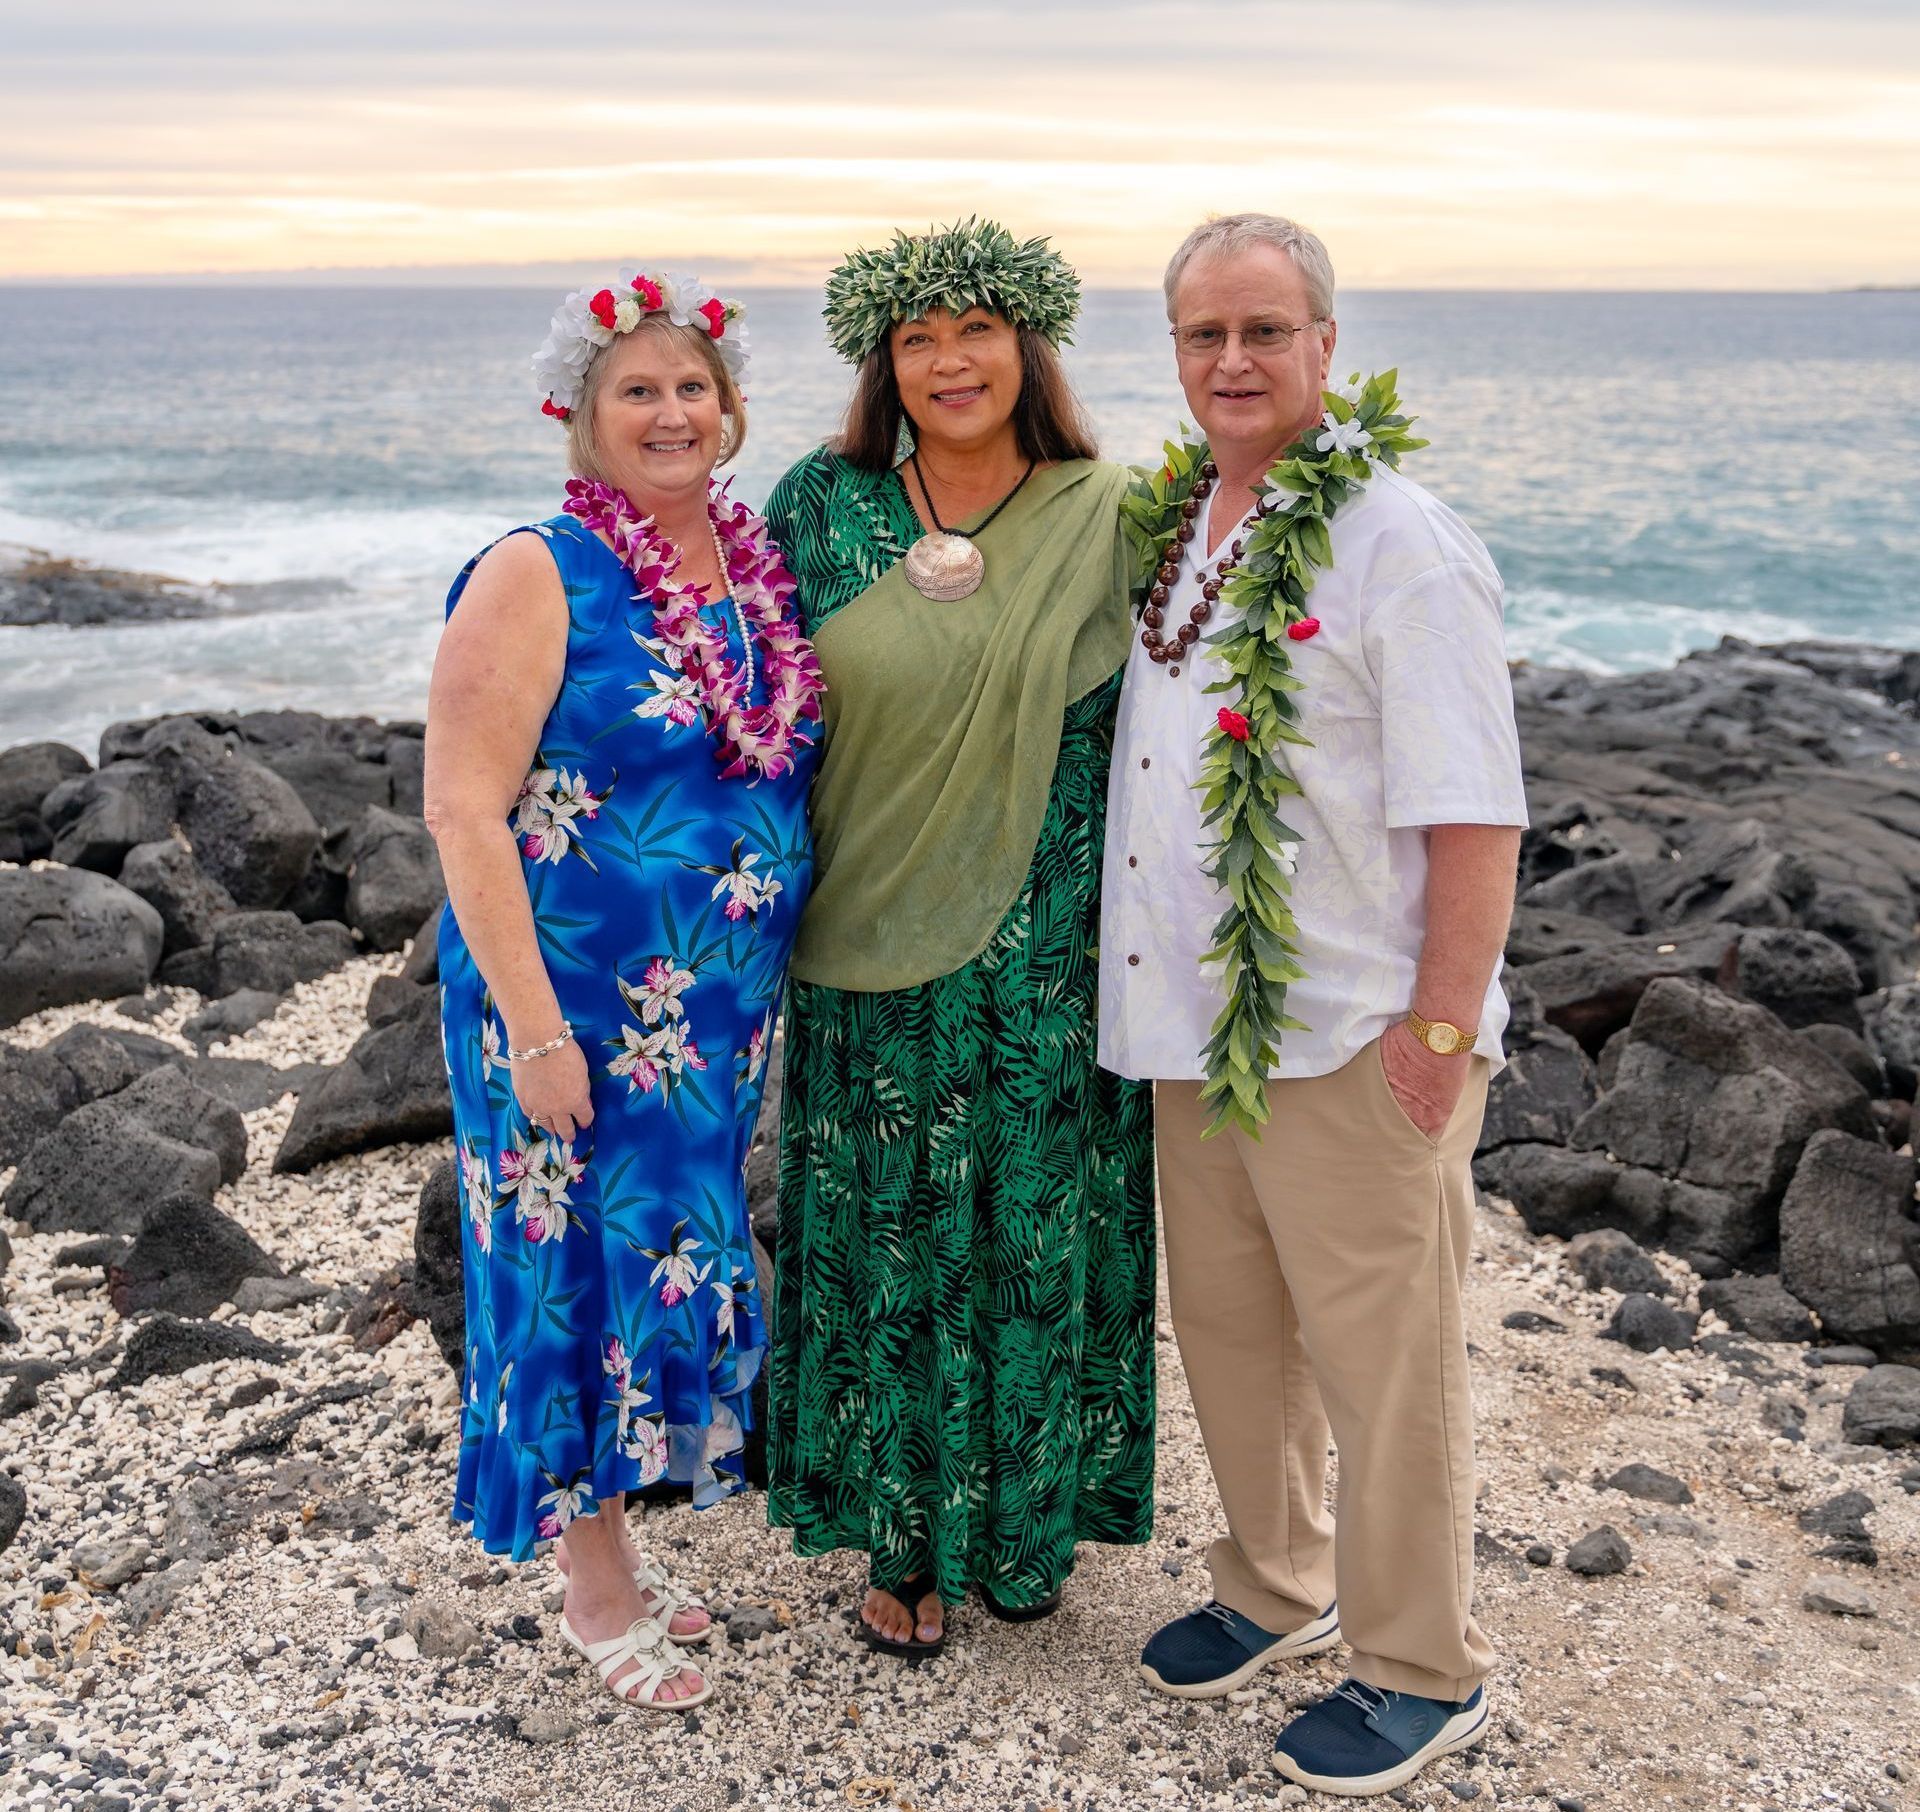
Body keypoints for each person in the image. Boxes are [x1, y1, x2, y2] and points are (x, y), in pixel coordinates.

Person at [1102, 213, 1527, 1796]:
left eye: (1266, 332)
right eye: (1205, 335)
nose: (1233, 361)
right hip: (1199, 1031)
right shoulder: (1186, 526)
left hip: (1353, 1029)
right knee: (1230, 1332)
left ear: (1326, 347)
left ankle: (1424, 1666)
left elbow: (1473, 809)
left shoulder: (1396, 539)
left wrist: (1436, 1031)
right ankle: (1277, 1584)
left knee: (1382, 1364)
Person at [423, 268, 824, 1710]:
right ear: (581, 413)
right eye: (636, 390)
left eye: (692, 388)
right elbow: (464, 813)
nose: (670, 412)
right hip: (572, 1004)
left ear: (731, 410)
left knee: (665, 1258)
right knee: (570, 1271)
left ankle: (633, 1561)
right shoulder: (537, 568)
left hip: (707, 1023)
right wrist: (533, 1029)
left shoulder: (756, 567)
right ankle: (596, 1592)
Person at [764, 220, 1157, 1658]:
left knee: (1036, 1233)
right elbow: (736, 691)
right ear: (885, 361)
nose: (948, 361)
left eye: (975, 331)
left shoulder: (1113, 510)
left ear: (1028, 347)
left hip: (1056, 947)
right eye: (917, 339)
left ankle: (1027, 1529)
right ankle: (904, 1540)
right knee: (894, 1234)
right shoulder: (822, 502)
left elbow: (1204, 687)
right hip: (869, 932)